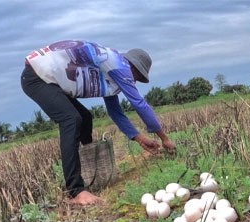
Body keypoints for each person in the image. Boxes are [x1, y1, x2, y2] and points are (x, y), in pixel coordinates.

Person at [21, 40, 176, 205]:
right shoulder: (120, 66)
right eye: (137, 77)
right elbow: (139, 104)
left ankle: (90, 170)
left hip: (46, 77)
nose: (134, 82)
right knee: (71, 119)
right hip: (37, 77)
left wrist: (139, 138)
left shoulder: (108, 69)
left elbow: (115, 112)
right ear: (133, 68)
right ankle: (76, 191)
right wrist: (164, 138)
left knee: (85, 118)